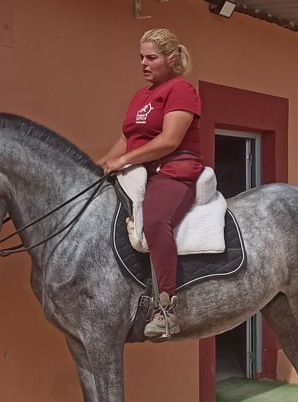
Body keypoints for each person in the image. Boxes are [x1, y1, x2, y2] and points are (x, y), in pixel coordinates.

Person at [98, 28, 203, 339]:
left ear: (171, 59)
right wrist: (102, 164)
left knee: (156, 221)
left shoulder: (181, 89)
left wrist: (124, 161)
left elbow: (169, 140)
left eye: (151, 57)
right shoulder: (140, 96)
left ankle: (167, 309)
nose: (144, 63)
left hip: (175, 169)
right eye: (141, 57)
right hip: (143, 169)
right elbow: (128, 138)